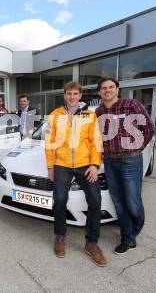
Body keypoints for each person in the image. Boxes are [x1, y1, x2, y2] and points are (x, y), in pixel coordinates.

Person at [45, 81, 107, 267]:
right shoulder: (55, 115)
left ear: (80, 96)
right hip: (61, 164)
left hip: (84, 164)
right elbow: (49, 142)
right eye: (68, 94)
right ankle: (60, 237)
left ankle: (92, 243)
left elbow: (96, 141)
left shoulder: (90, 116)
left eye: (75, 94)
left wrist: (95, 165)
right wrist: (50, 167)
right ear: (64, 96)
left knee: (95, 201)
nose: (72, 97)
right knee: (60, 199)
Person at [95, 77, 155, 255]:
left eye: (111, 87)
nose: (107, 90)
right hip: (110, 162)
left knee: (132, 202)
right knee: (119, 203)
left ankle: (134, 229)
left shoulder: (131, 105)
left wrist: (137, 147)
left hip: (131, 160)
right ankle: (128, 238)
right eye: (104, 88)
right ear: (99, 92)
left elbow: (149, 129)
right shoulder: (98, 112)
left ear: (117, 89)